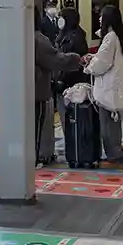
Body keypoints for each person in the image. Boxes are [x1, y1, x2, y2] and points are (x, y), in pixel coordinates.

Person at [85, 5, 123, 167]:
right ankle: (115, 154)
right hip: (114, 89)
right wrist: (94, 57)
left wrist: (88, 67)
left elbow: (103, 62)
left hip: (109, 90)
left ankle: (114, 156)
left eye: (101, 16)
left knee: (108, 125)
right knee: (112, 124)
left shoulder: (110, 37)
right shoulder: (118, 36)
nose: (99, 19)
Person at [35, 9, 82, 166]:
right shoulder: (38, 39)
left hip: (29, 90)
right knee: (38, 125)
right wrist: (77, 60)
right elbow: (56, 59)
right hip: (38, 90)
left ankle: (35, 156)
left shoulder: (15, 35)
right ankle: (37, 157)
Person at [53, 7, 90, 127]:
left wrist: (61, 79)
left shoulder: (76, 37)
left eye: (61, 17)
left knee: (70, 116)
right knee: (65, 115)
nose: (59, 20)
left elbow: (76, 62)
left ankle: (73, 142)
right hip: (64, 80)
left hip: (70, 83)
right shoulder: (64, 34)